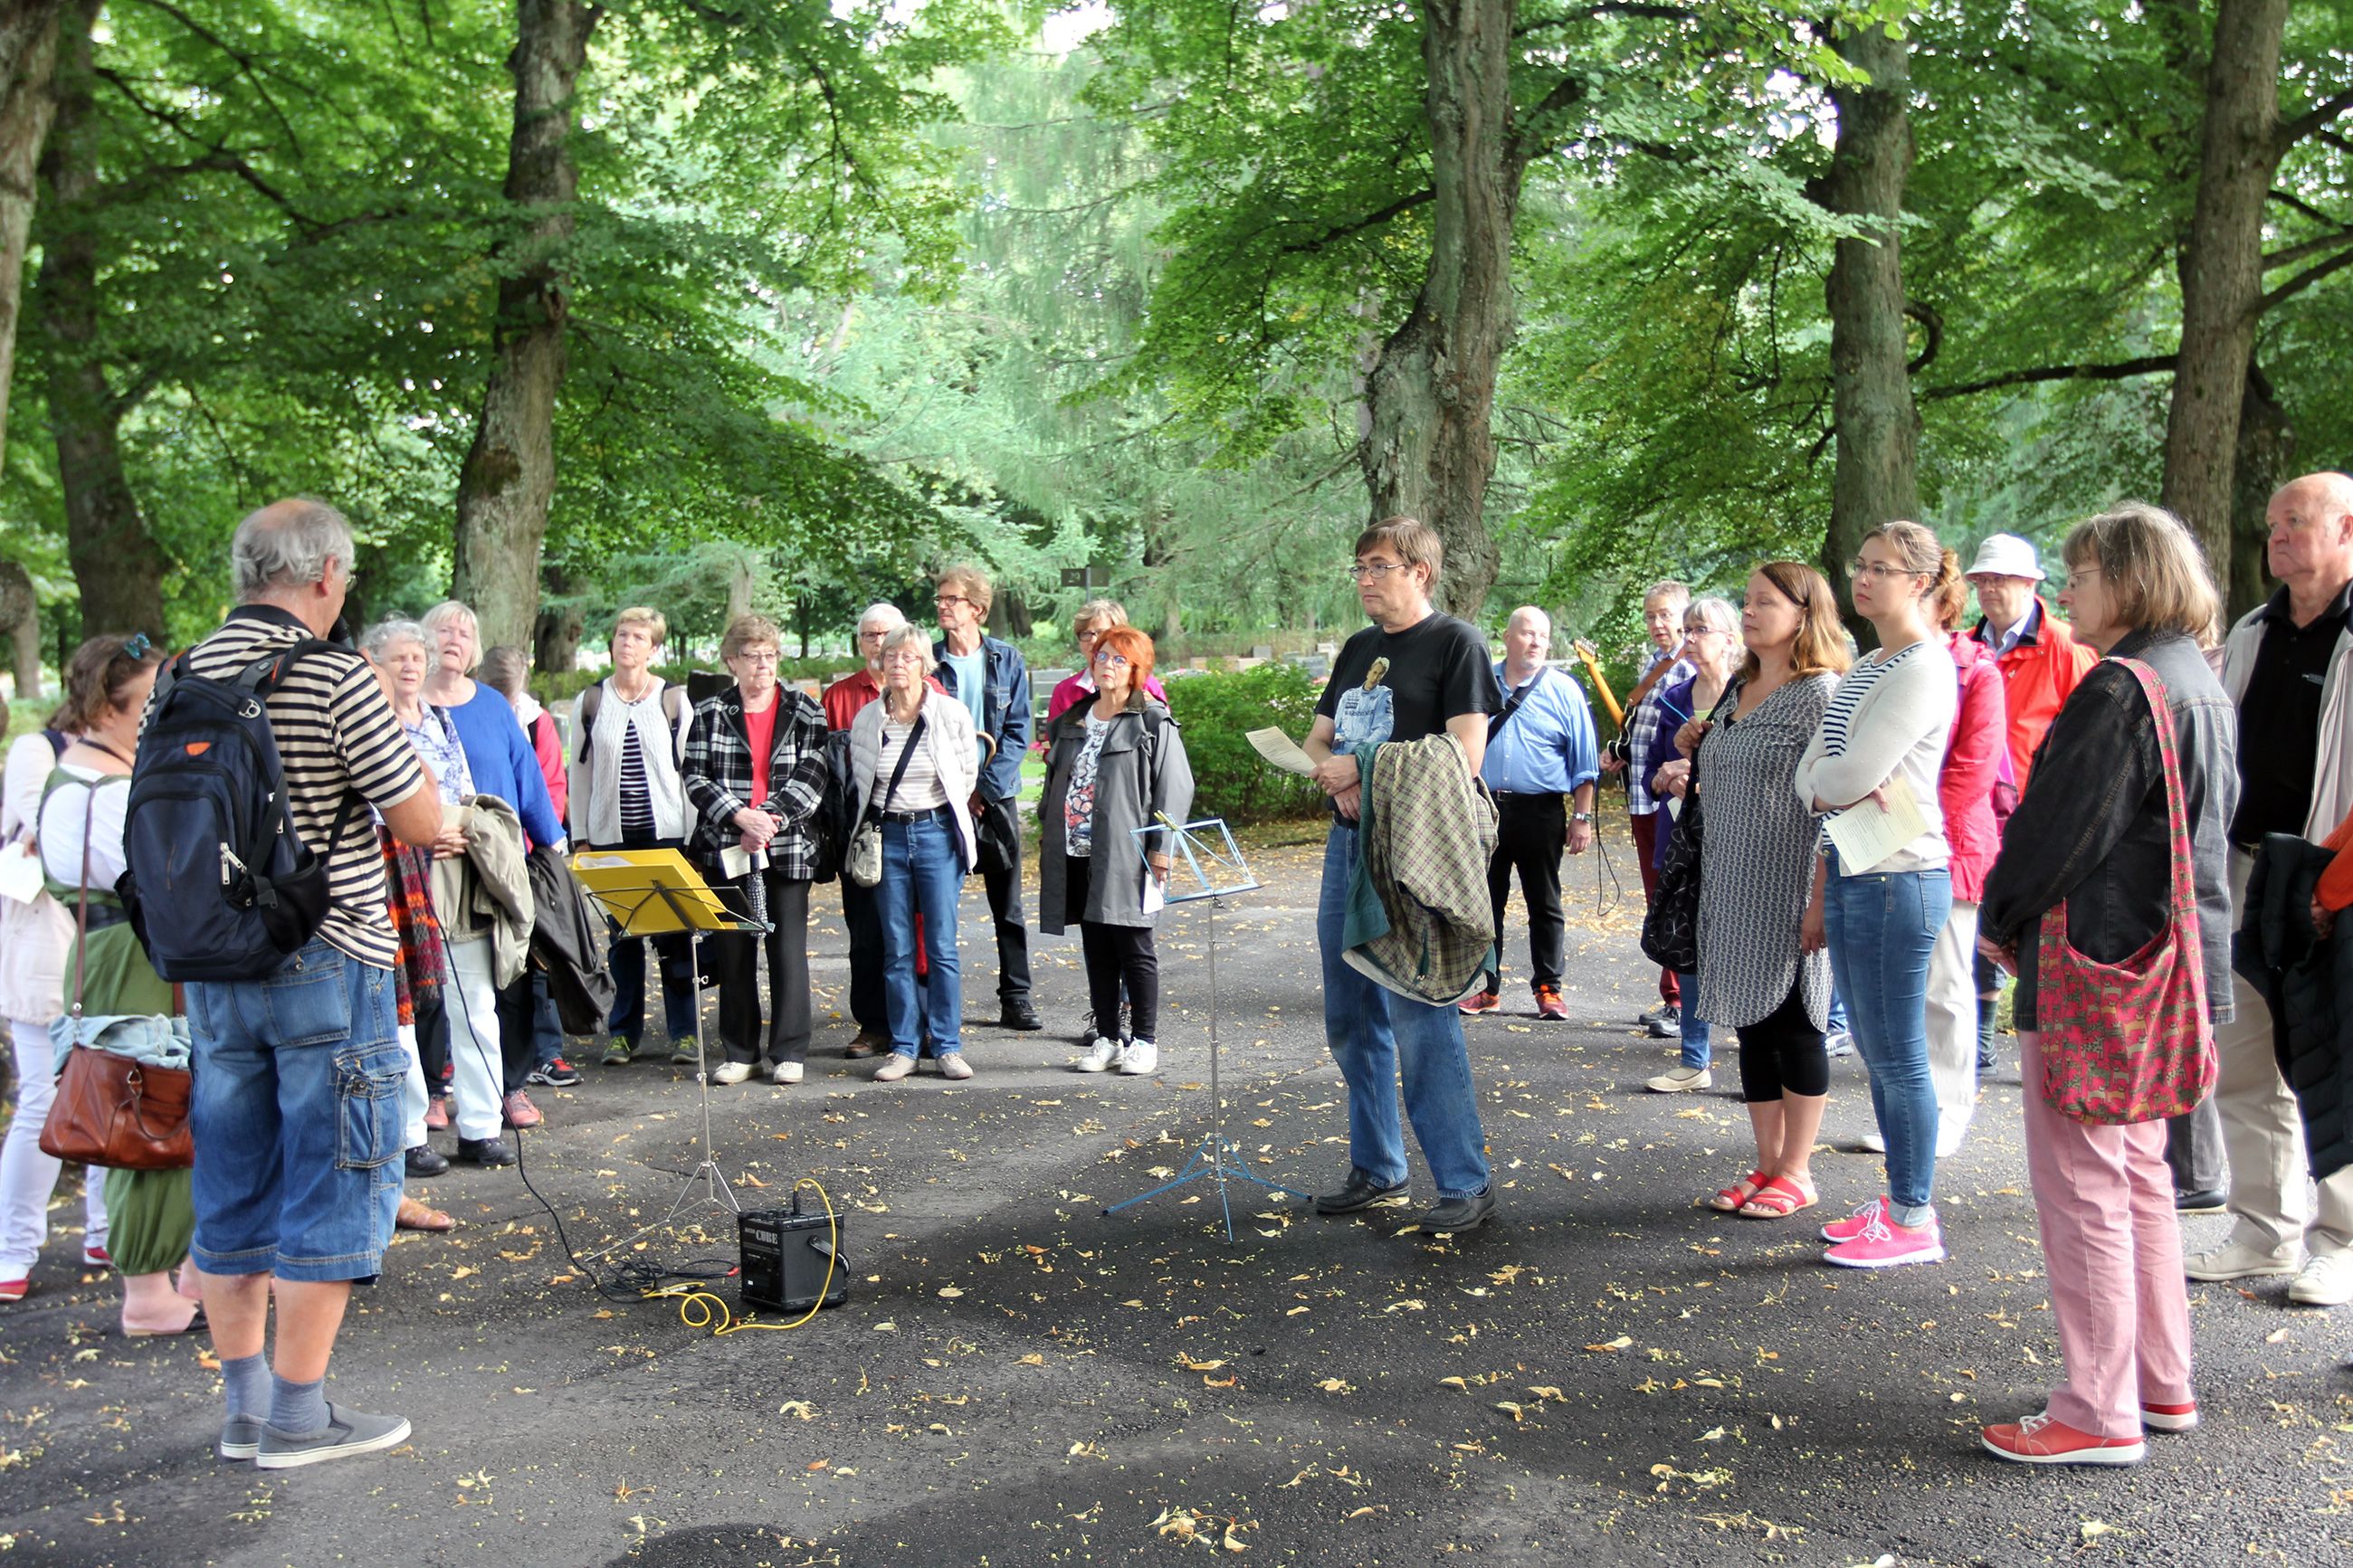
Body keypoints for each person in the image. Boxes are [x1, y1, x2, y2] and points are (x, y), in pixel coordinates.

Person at [174, 499, 442, 1468]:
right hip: (329, 953)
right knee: (337, 1175)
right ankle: (298, 1414)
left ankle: (245, 1411)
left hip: (212, 960)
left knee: (233, 1177)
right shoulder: (334, 675)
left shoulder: (182, 670)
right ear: (327, 574)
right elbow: (414, 817)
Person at [1976, 501, 2237, 1465]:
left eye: (2080, 572)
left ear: (2127, 579)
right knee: (2135, 1177)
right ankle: (2157, 1381)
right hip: (2163, 969)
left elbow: (2055, 830)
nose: (2065, 589)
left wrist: (2000, 918)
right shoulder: (2194, 681)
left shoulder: (2118, 687)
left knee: (2084, 1182)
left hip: (2096, 968)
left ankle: (2094, 1406)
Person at [1303, 518, 1500, 1235]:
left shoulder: (1458, 643)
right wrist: (1334, 774)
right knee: (1350, 1015)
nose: (1364, 578)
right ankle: (1378, 1165)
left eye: (1379, 565)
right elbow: (1320, 735)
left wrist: (1369, 769)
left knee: (1420, 1012)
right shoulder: (1359, 649)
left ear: (1420, 570)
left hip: (1417, 851)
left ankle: (1462, 1180)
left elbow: (1465, 755)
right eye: (1358, 566)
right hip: (1348, 844)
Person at [2192, 470, 2353, 1308]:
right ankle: (2262, 1230)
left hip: (2336, 877)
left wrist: (2336, 881)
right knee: (2246, 1061)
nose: (2278, 536)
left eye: (2296, 521)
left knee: (2332, 1064)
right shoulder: (2253, 631)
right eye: (2271, 524)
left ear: (2347, 530)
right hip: (2245, 870)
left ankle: (2342, 1240)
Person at [1796, 522, 1959, 1269]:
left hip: (1901, 876)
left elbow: (1845, 777)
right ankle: (1898, 1198)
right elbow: (1816, 773)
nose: (1864, 580)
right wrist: (1827, 784)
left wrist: (1828, 783)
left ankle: (1914, 1216)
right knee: (1874, 1047)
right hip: (1859, 867)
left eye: (1883, 570)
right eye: (1860, 567)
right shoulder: (1870, 660)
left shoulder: (1923, 667)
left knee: (1898, 1057)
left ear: (1921, 582)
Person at [35, 636, 207, 1334]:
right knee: (147, 1110)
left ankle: (186, 1272)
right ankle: (146, 1290)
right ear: (108, 707)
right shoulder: (95, 788)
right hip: (129, 955)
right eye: (145, 702)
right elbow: (151, 878)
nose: (157, 714)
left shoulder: (94, 776)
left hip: (125, 952)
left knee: (161, 1102)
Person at [1679, 566, 1846, 1219]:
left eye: (1764, 603)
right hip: (1731, 881)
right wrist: (1697, 740)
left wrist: (1821, 896)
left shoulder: (1822, 693)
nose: (1749, 612)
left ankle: (1800, 1170)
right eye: (1746, 602)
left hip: (1792, 882)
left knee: (1797, 1025)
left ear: (1804, 613)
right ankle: (1769, 1162)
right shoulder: (1740, 686)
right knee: (1751, 1024)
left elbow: (1839, 801)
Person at [422, 601, 565, 1135]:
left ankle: (510, 1086)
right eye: (444, 628)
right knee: (431, 985)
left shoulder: (493, 706)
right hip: (432, 864)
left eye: (465, 631)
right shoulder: (403, 704)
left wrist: (552, 842)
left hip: (498, 863)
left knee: (510, 981)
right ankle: (437, 1089)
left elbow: (527, 778)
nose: (455, 637)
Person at [359, 620, 486, 1182]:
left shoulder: (437, 719)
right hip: (390, 868)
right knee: (402, 1004)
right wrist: (423, 828)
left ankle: (479, 1125)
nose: (410, 666)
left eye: (417, 656)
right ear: (372, 665)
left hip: (450, 863)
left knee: (467, 998)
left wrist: (454, 829)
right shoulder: (366, 725)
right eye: (397, 658)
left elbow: (459, 786)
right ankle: (409, 1134)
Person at [1967, 534, 2098, 1073]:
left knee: (2036, 927)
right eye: (1982, 580)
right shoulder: (1965, 648)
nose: (1991, 589)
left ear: (2030, 583)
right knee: (1975, 921)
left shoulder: (2067, 650)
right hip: (1974, 810)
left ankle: (2048, 1043)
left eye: (2002, 579)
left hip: (2036, 815)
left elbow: (2090, 735)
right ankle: (1977, 1039)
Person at [1, 650, 109, 1302]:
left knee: (111, 1082)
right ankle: (12, 1247)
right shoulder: (35, 750)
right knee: (42, 1097)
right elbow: (49, 834)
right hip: (44, 942)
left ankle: (105, 1226)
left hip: (106, 943)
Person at [1038, 626, 1194, 1076]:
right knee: (1096, 945)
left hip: (1129, 853)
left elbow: (1175, 786)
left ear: (1137, 669)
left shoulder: (1151, 720)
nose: (1107, 665)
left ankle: (1144, 1041)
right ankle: (1107, 1036)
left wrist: (1162, 850)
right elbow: (1054, 784)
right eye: (1102, 656)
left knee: (1134, 944)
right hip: (1077, 849)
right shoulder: (1074, 719)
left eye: (1119, 659)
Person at [682, 614, 829, 1087]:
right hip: (726, 845)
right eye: (752, 656)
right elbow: (694, 776)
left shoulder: (806, 710)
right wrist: (737, 816)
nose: (763, 665)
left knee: (787, 950)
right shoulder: (709, 713)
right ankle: (740, 1051)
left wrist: (768, 820)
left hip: (786, 847)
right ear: (732, 661)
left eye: (770, 655)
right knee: (733, 952)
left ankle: (788, 1051)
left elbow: (814, 775)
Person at [567, 607, 698, 1068]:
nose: (628, 643)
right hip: (610, 838)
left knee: (675, 937)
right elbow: (578, 775)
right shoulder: (591, 702)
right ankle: (624, 1034)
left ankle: (685, 1034)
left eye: (639, 637)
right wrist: (581, 836)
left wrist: (694, 838)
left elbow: (689, 774)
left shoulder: (673, 700)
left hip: (666, 836)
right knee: (623, 939)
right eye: (622, 634)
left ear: (653, 648)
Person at [851, 625, 980, 1081]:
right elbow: (863, 779)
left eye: (908, 657)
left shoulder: (950, 714)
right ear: (880, 664)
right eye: (891, 657)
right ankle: (904, 1046)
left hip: (936, 833)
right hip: (887, 837)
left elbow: (966, 776)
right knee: (897, 948)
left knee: (942, 946)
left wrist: (936, 820)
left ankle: (947, 1045)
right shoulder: (867, 720)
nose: (898, 664)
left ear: (926, 665)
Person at [1461, 606, 1596, 1022]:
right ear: (1507, 637)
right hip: (1484, 807)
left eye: (1543, 635)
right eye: (1527, 633)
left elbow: (1585, 760)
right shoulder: (1481, 683)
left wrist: (1582, 817)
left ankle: (1548, 990)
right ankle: (1486, 989)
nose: (1536, 641)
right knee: (1485, 904)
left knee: (1544, 903)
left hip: (1541, 811)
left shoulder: (1564, 690)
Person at [823, 603, 938, 1058]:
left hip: (914, 828)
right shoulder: (838, 697)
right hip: (860, 833)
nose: (878, 645)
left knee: (919, 932)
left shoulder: (933, 693)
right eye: (869, 636)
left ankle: (922, 1024)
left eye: (886, 636)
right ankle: (873, 1024)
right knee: (866, 934)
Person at [1923, 561, 2009, 1159]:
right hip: (1887, 848)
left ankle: (1950, 1107)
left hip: (1950, 849)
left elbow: (1971, 772)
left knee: (1948, 985)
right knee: (1901, 991)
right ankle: (1910, 1110)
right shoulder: (1877, 667)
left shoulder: (1976, 672)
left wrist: (1902, 826)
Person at [1639, 595, 1740, 1091]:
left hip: (1737, 840)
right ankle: (1694, 1060)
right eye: (1689, 629)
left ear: (1730, 638)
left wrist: (1702, 776)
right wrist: (1666, 777)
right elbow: (1649, 776)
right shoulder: (1672, 696)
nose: (1691, 638)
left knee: (1745, 943)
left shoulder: (1750, 697)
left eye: (1702, 629)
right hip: (1682, 837)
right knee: (1689, 943)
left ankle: (1757, 1060)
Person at [932, 565, 1038, 1031]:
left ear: (976, 607)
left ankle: (1016, 998)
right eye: (939, 599)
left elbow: (1019, 733)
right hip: (939, 800)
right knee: (937, 907)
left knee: (1007, 907)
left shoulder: (1006, 659)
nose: (942, 606)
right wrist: (958, 791)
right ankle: (937, 1007)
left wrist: (984, 789)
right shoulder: (928, 661)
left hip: (995, 799)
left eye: (951, 599)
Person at [479, 645, 579, 1091]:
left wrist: (542, 842)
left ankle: (546, 1050)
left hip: (528, 854)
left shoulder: (537, 722)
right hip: (479, 852)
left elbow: (549, 785)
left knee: (538, 957)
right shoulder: (467, 711)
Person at [1604, 580, 1693, 1037]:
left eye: (1665, 615)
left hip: (1672, 800)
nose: (1657, 624)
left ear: (1685, 616)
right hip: (1642, 794)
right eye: (1650, 616)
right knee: (1658, 896)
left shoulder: (1693, 664)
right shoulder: (1653, 664)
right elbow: (1644, 730)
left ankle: (1681, 1000)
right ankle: (1672, 994)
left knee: (1675, 894)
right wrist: (1619, 750)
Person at [1043, 600, 1168, 727]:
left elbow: (1163, 733)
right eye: (1086, 633)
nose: (1093, 640)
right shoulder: (1065, 691)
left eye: (1102, 633)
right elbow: (1053, 743)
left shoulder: (1146, 685)